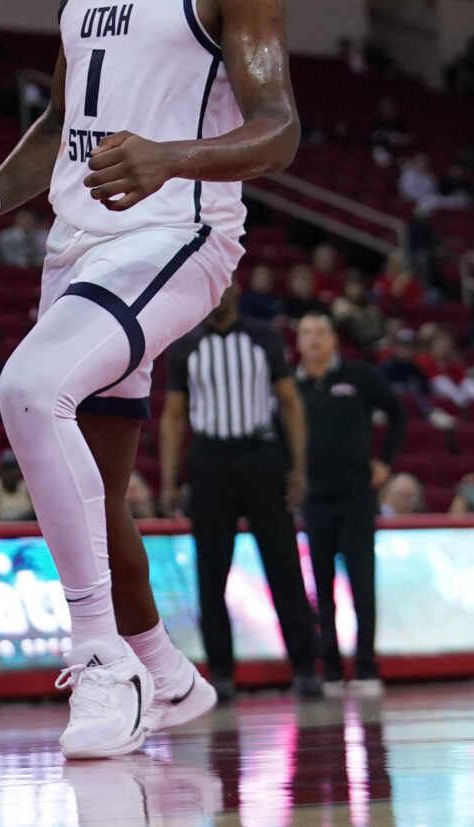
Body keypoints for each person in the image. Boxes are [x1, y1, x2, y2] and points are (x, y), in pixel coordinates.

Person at [0, 0, 293, 759]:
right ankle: (168, 671)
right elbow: (63, 122)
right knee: (96, 490)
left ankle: (102, 660)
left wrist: (171, 158)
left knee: (28, 387)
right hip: (78, 241)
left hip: (178, 232)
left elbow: (279, 129)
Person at [159, 282, 320, 700]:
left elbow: (290, 402)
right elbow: (174, 415)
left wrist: (298, 469)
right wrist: (170, 480)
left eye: (226, 287)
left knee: (284, 565)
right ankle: (223, 675)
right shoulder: (186, 344)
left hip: (261, 456)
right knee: (211, 574)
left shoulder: (264, 337)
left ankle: (305, 669)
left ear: (235, 290)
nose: (220, 295)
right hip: (210, 460)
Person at [292, 310, 401, 696]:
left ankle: (368, 668)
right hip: (314, 500)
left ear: (335, 339)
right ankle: (332, 670)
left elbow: (397, 413)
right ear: (298, 341)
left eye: (322, 330)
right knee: (321, 590)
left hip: (357, 497)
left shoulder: (359, 376)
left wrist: (385, 462)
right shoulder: (290, 386)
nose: (315, 338)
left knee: (361, 585)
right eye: (307, 331)